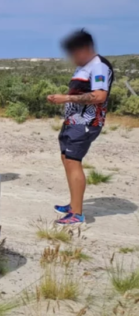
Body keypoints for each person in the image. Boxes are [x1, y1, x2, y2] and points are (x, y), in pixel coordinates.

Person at [46, 29, 113, 225]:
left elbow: (99, 96)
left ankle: (77, 213)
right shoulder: (84, 67)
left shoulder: (99, 66)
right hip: (73, 121)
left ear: (85, 48)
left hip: (86, 123)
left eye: (73, 53)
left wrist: (65, 98)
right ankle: (73, 204)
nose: (71, 58)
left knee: (73, 161)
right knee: (67, 159)